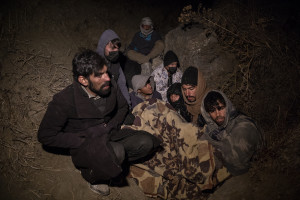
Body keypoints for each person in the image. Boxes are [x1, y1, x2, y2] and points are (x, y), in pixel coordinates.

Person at [38, 50, 161, 196]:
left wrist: (111, 125)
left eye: (106, 72)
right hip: (86, 145)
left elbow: (122, 107)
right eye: (99, 75)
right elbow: (46, 135)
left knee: (146, 142)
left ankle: (113, 163)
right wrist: (80, 140)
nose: (107, 78)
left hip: (110, 132)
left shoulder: (110, 84)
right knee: (117, 152)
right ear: (83, 80)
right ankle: (94, 175)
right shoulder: (64, 100)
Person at [200, 90, 263, 175]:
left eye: (221, 108)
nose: (218, 114)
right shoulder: (212, 129)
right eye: (212, 110)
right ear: (208, 114)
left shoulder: (244, 126)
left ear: (227, 106)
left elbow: (236, 163)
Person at [124, 17, 165, 89]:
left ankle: (146, 60)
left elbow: (159, 45)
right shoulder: (137, 35)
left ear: (151, 26)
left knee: (160, 44)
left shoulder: (155, 34)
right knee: (129, 53)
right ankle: (145, 60)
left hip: (151, 55)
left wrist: (149, 57)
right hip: (140, 56)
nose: (146, 28)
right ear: (141, 26)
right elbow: (131, 47)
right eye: (144, 26)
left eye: (148, 26)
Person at [96, 29, 131, 107]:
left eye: (117, 48)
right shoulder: (94, 63)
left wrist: (128, 104)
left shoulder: (115, 63)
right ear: (103, 46)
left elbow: (122, 83)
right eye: (112, 48)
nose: (116, 51)